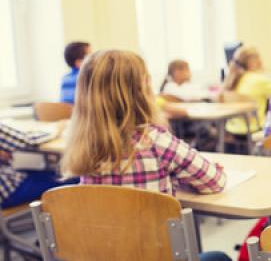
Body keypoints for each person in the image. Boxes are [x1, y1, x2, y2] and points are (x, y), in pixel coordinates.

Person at [60, 50, 230, 261]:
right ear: (142, 90)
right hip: (154, 255)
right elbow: (214, 182)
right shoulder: (154, 141)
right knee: (218, 257)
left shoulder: (83, 146)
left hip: (104, 254)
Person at [0, 123, 76, 209]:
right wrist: (56, 128)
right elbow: (28, 141)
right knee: (76, 176)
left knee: (57, 168)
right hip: (9, 190)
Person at [223, 46, 271, 136]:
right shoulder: (258, 80)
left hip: (231, 129)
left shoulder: (232, 79)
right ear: (251, 61)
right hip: (254, 129)